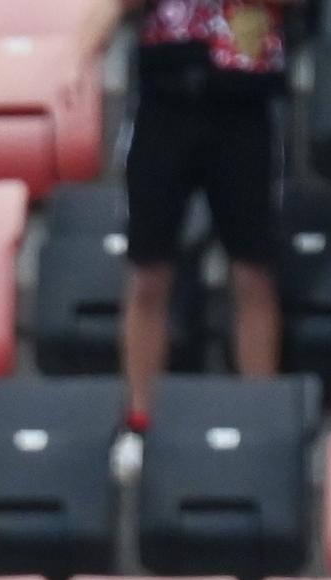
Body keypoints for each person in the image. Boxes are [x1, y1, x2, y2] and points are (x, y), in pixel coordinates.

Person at [87, 0, 291, 454]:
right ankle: (140, 419)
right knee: (148, 272)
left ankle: (261, 422)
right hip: (164, 98)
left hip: (244, 97)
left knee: (253, 271)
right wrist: (75, 56)